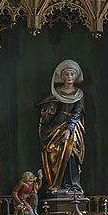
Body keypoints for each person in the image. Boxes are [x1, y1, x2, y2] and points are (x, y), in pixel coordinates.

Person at [38, 60, 86, 197]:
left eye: (72, 74)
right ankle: (56, 184)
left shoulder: (79, 94)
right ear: (62, 77)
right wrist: (44, 116)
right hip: (55, 128)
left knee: (71, 154)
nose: (69, 77)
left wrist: (69, 129)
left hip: (72, 129)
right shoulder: (56, 92)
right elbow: (50, 112)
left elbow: (77, 114)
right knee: (55, 156)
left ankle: (72, 185)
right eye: (66, 74)